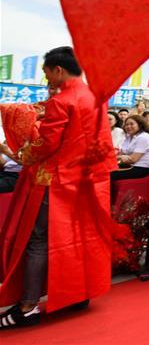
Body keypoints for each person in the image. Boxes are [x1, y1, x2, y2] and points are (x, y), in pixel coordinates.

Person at [0, 46, 117, 329]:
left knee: (38, 241)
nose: (47, 78)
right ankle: (79, 294)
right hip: (90, 181)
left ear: (59, 70)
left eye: (47, 72)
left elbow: (46, 144)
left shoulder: (62, 100)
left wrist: (21, 153)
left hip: (58, 181)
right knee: (80, 239)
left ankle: (27, 306)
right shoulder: (95, 96)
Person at [111, 115, 149, 181]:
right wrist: (120, 157)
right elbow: (122, 154)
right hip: (130, 165)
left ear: (140, 125)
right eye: (126, 125)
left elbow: (132, 159)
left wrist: (119, 157)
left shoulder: (143, 137)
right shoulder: (129, 137)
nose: (128, 127)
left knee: (109, 174)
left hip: (140, 169)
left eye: (132, 124)